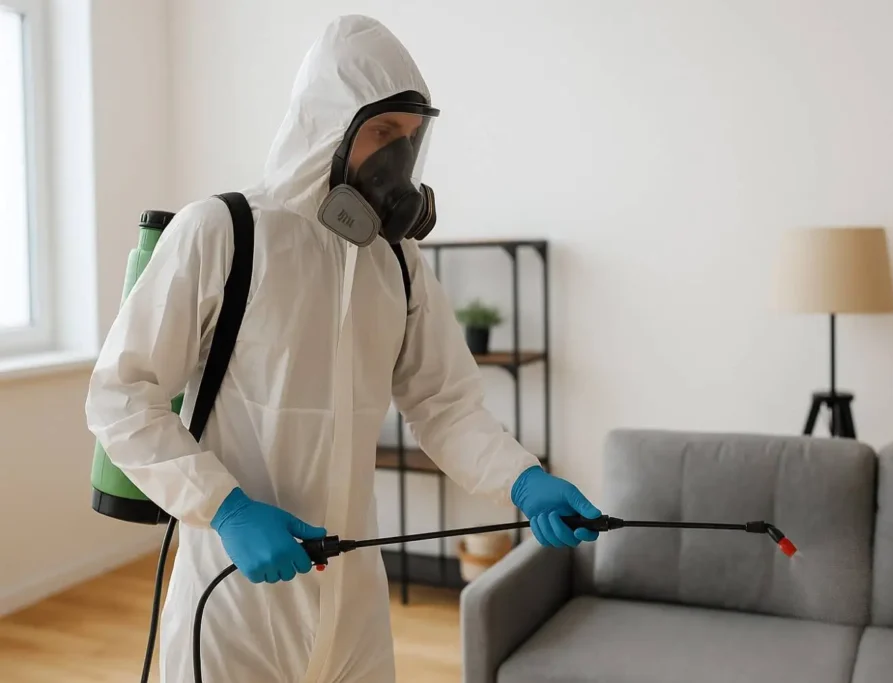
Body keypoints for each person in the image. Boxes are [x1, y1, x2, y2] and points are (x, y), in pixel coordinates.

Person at [84, 13, 600, 683]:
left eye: (410, 141)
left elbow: (445, 404)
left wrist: (523, 481)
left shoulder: (400, 266)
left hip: (353, 602)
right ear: (328, 125)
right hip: (233, 593)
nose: (398, 160)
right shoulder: (223, 232)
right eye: (383, 133)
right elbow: (122, 394)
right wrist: (226, 507)